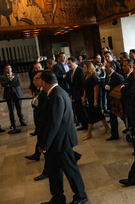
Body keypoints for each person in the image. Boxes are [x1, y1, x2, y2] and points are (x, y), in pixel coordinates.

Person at [38, 71, 87, 204]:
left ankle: (81, 196)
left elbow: (54, 123)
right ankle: (58, 198)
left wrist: (44, 145)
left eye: (39, 79)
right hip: (55, 142)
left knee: (70, 170)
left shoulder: (56, 96)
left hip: (61, 142)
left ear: (44, 82)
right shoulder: (55, 93)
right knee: (54, 172)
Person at [81, 62, 110, 140]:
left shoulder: (93, 77)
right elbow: (84, 88)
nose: (83, 69)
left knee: (91, 115)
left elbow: (96, 89)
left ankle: (89, 133)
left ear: (89, 68)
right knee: (99, 114)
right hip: (88, 98)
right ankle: (107, 127)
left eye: (84, 67)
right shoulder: (85, 77)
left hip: (93, 98)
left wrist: (95, 101)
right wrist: (83, 97)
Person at [0, 64, 26, 133]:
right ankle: (12, 124)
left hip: (17, 94)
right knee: (11, 110)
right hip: (8, 95)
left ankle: (22, 121)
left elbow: (18, 83)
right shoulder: (2, 77)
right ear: (4, 70)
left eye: (10, 68)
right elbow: (3, 85)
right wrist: (10, 80)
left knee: (19, 108)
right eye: (7, 68)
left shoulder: (16, 75)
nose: (9, 69)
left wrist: (9, 84)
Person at [105, 61, 124, 141]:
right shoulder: (108, 76)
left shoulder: (118, 77)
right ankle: (114, 134)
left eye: (107, 67)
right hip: (111, 100)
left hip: (117, 100)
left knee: (122, 116)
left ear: (112, 68)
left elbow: (120, 88)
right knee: (112, 117)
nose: (105, 69)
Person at [67, 57, 86, 130]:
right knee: (77, 109)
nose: (69, 65)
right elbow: (71, 85)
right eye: (68, 63)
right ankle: (82, 123)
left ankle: (85, 124)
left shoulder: (80, 70)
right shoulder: (71, 72)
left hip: (79, 93)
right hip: (74, 94)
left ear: (75, 63)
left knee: (81, 110)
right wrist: (71, 94)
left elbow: (82, 84)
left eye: (70, 63)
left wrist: (82, 95)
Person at [121, 59, 135, 131]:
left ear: (130, 66)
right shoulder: (127, 76)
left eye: (125, 66)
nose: (122, 67)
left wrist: (122, 89)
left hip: (131, 103)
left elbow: (131, 91)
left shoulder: (133, 77)